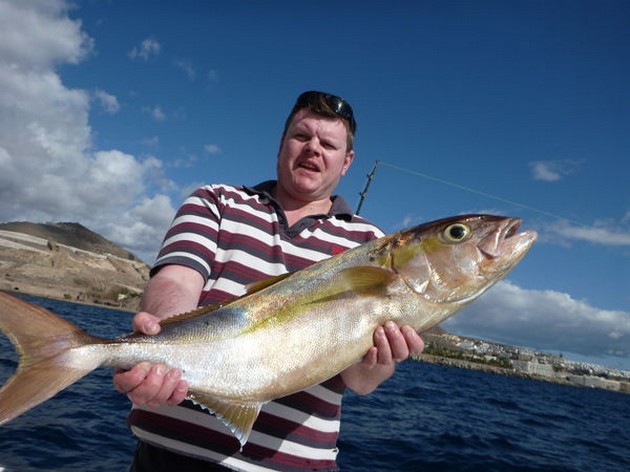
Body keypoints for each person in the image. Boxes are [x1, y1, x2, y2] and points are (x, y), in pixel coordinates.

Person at [114, 91, 425, 471]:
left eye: (328, 144)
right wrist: (163, 347)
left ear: (346, 163)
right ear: (281, 144)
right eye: (302, 136)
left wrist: (381, 358)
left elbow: (360, 381)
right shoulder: (217, 202)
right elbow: (176, 281)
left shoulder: (370, 245)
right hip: (165, 458)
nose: (313, 149)